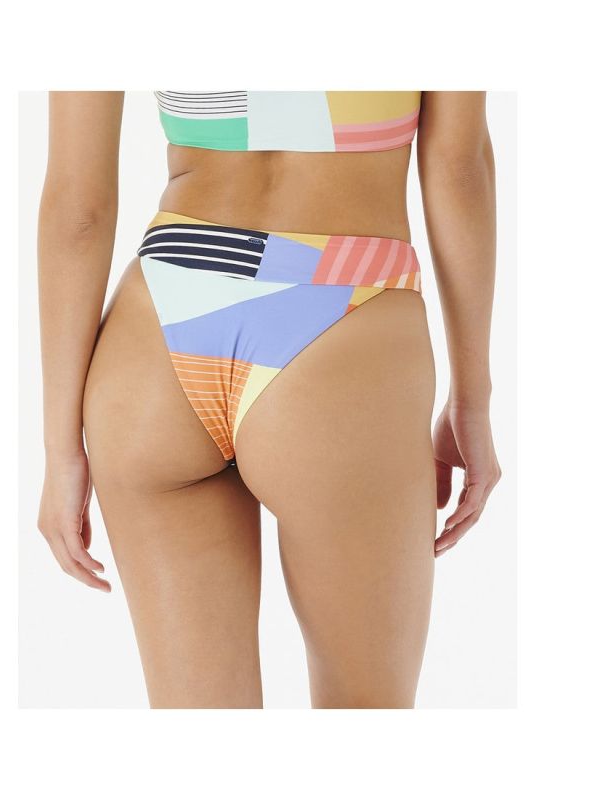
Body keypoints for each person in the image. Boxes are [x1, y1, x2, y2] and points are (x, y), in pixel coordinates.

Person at [36, 90, 501, 708]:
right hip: (342, 310)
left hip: (162, 322)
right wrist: (472, 400)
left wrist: (61, 450)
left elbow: (78, 210)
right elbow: (458, 168)